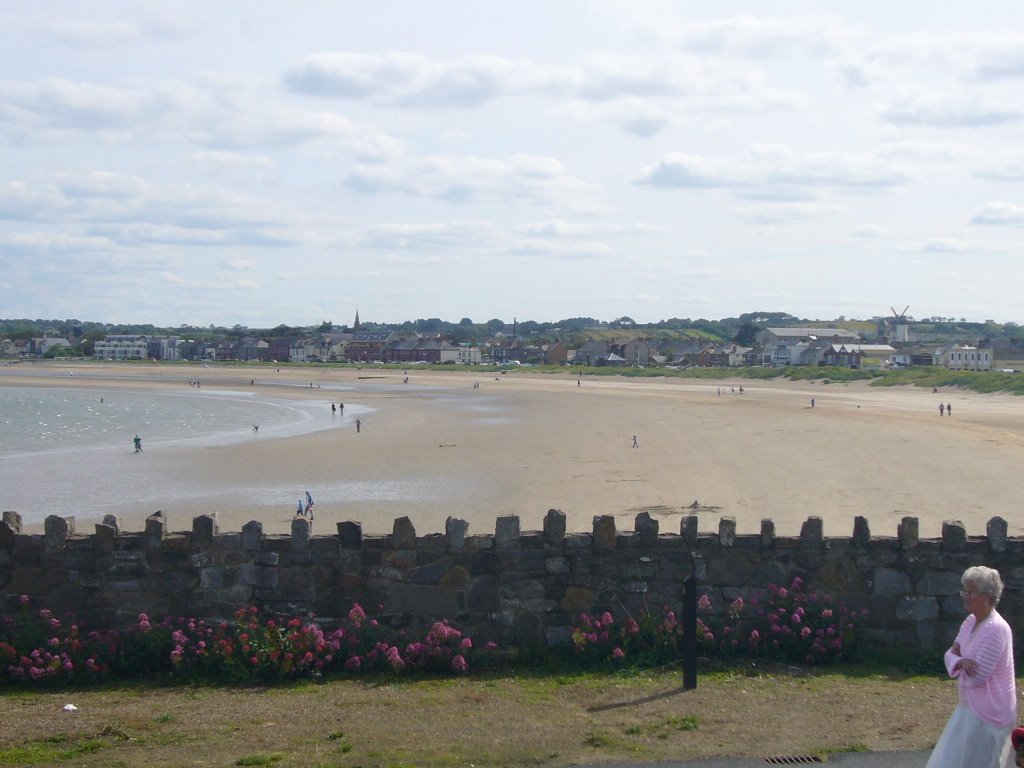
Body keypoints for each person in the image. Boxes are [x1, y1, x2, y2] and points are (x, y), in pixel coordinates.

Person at [926, 566, 1017, 768]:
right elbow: (949, 654)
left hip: (990, 713)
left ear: (987, 597)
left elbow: (977, 676)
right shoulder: (970, 622)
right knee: (946, 762)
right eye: (964, 592)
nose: (965, 597)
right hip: (967, 707)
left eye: (970, 593)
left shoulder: (996, 629)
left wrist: (958, 662)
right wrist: (959, 662)